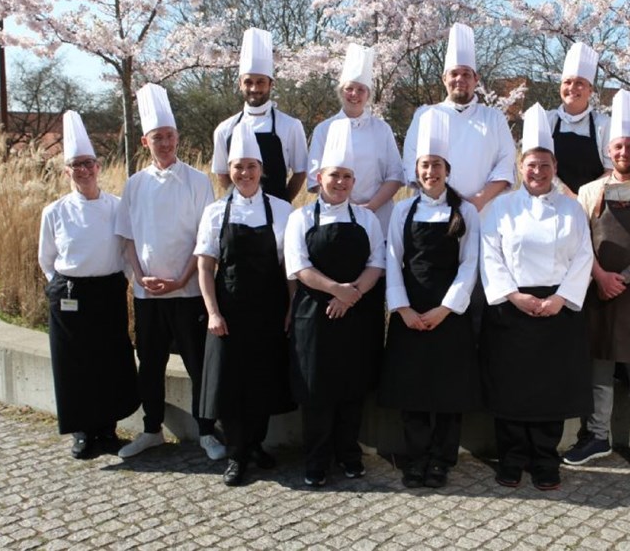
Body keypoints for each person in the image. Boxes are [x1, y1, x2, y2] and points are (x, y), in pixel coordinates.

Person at [480, 103, 593, 491]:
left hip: (557, 311)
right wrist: (514, 296)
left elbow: (583, 257)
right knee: (511, 389)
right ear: (520, 167)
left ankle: (545, 460)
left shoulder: (572, 210)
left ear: (555, 168)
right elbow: (490, 254)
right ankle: (510, 458)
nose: (538, 172)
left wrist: (560, 299)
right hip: (511, 311)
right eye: (531, 164)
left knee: (550, 391)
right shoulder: (500, 208)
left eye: (545, 165)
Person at [562, 90, 630, 476]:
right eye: (618, 146)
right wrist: (600, 277)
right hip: (599, 292)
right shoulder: (590, 192)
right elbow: (578, 241)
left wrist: (620, 280)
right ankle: (597, 436)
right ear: (609, 151)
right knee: (600, 370)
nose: (624, 152)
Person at [115, 83, 225, 461]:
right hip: (148, 295)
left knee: (197, 365)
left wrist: (180, 279)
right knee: (151, 364)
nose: (165, 144)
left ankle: (207, 431)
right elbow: (127, 237)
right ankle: (151, 430)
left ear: (178, 138)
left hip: (189, 292)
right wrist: (140, 278)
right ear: (145, 142)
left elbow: (205, 237)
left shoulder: (197, 181)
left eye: (170, 136)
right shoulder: (135, 184)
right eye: (157, 138)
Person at [377, 108, 481, 489]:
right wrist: (402, 309)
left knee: (448, 391)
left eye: (437, 165)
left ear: (447, 169)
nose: (430, 172)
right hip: (410, 312)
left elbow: (471, 264)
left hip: (448, 314)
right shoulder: (403, 210)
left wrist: (445, 309)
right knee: (413, 389)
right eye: (424, 165)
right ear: (417, 170)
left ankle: (441, 459)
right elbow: (393, 261)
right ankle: (415, 458)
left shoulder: (466, 210)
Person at [284, 119, 386, 487]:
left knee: (352, 388)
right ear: (319, 177)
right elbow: (298, 267)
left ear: (353, 181)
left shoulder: (367, 218)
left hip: (357, 316)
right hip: (314, 316)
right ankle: (316, 460)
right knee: (317, 392)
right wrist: (336, 291)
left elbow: (378, 262)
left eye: (346, 176)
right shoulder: (299, 219)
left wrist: (353, 293)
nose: (340, 182)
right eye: (334, 176)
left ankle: (349, 454)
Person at [195, 123, 296, 486]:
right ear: (230, 171)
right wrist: (212, 312)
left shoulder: (283, 210)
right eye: (238, 167)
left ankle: (255, 444)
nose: (245, 173)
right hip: (229, 313)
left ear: (263, 170)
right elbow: (205, 266)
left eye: (252, 166)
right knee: (231, 385)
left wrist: (289, 309)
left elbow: (289, 269)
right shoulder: (215, 212)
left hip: (269, 311)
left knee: (263, 382)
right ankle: (237, 454)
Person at [38, 111, 139, 459]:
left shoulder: (116, 206)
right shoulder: (54, 211)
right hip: (70, 295)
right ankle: (82, 432)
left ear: (98, 167)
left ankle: (108, 428)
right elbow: (46, 259)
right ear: (67, 171)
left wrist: (119, 282)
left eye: (89, 164)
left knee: (110, 358)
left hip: (108, 291)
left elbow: (127, 252)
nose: (84, 170)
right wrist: (61, 287)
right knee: (74, 364)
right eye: (76, 165)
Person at [402, 22, 516, 213]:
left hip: (485, 213)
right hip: (433, 212)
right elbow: (411, 163)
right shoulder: (425, 115)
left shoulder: (494, 118)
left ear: (476, 79)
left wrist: (478, 201)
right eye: (454, 73)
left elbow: (506, 164)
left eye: (466, 74)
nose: (460, 79)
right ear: (444, 78)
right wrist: (441, 201)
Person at [307, 43, 404, 234]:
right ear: (341, 91)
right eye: (350, 88)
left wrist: (370, 207)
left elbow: (394, 176)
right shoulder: (324, 129)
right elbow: (314, 178)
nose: (354, 94)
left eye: (361, 89)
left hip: (378, 217)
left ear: (368, 94)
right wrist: (344, 207)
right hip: (333, 217)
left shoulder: (382, 129)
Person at [211, 27, 308, 201]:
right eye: (248, 82)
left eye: (261, 82)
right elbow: (221, 173)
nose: (254, 88)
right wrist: (240, 201)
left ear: (271, 84)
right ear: (240, 83)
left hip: (277, 217)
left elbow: (300, 172)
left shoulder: (291, 126)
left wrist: (283, 204)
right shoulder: (224, 129)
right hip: (238, 215)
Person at [547, 42, 611, 199]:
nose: (572, 88)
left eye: (580, 83)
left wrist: (583, 198)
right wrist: (567, 194)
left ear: (590, 90)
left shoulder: (603, 124)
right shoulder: (548, 120)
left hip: (594, 205)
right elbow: (540, 166)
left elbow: (611, 170)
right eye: (567, 82)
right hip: (553, 201)